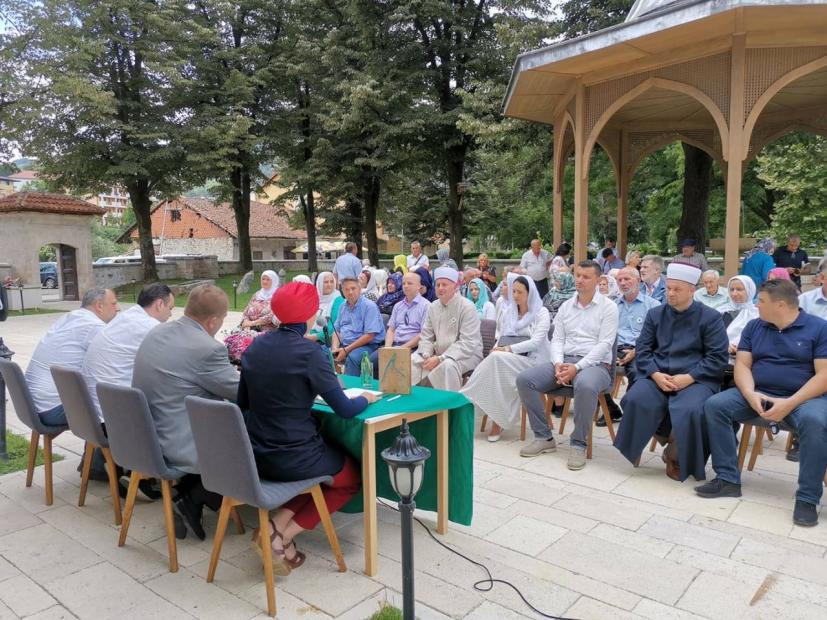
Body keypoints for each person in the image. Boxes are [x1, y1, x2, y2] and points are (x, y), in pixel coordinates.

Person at [239, 281, 379, 571]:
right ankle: (281, 536)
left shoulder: (255, 346)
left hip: (256, 453)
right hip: (294, 455)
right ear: (310, 314)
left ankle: (277, 526)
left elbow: (244, 402)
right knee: (351, 477)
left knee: (324, 471)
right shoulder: (310, 353)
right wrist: (366, 398)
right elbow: (343, 409)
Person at [697, 280, 827, 527]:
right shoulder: (755, 326)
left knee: (816, 421)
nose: (756, 304)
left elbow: (824, 376)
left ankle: (808, 498)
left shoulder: (819, 329)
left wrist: (789, 404)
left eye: (761, 301)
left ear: (780, 304)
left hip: (804, 399)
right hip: (759, 394)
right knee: (716, 405)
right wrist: (749, 393)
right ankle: (727, 479)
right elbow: (743, 365)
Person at [133, 284, 240, 539]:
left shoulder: (157, 332)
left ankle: (193, 493)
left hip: (144, 438)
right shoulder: (208, 349)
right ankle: (197, 493)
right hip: (178, 443)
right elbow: (241, 393)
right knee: (251, 433)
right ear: (213, 321)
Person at [614, 262, 729, 482]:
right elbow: (644, 350)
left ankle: (676, 456)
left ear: (692, 291)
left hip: (696, 378)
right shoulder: (655, 314)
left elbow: (717, 357)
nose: (671, 293)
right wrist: (656, 375)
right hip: (658, 374)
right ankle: (672, 441)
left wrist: (689, 378)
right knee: (635, 399)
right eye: (669, 289)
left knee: (692, 409)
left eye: (677, 289)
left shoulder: (711, 318)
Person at [517, 260, 618, 470]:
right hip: (564, 361)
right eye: (578, 275)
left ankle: (578, 443)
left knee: (586, 385)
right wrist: (558, 364)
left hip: (596, 365)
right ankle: (544, 437)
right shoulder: (565, 306)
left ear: (598, 281)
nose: (579, 280)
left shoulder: (609, 308)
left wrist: (577, 368)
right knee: (525, 380)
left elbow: (605, 345)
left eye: (586, 277)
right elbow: (558, 340)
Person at [462, 274, 550, 441]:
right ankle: (497, 417)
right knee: (497, 365)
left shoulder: (541, 312)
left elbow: (536, 342)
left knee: (497, 360)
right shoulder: (509, 311)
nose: (515, 296)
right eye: (513, 291)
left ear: (529, 293)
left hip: (536, 361)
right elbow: (501, 335)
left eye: (520, 292)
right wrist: (498, 347)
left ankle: (469, 395)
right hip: (510, 359)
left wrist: (507, 349)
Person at [25, 288, 119, 425]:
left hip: (33, 405)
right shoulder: (94, 326)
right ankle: (101, 445)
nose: (118, 308)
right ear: (99, 306)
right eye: (114, 303)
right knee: (123, 406)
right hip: (53, 409)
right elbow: (112, 365)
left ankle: (96, 445)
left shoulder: (69, 318)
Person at [83, 284, 175, 420]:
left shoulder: (127, 317)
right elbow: (177, 360)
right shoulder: (149, 326)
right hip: (113, 417)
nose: (171, 314)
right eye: (170, 308)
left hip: (92, 409)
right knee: (176, 409)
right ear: (160, 304)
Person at [597, 267, 661, 427]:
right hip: (613, 348)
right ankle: (611, 408)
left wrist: (636, 351)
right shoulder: (612, 306)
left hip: (641, 350)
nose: (623, 283)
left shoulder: (653, 305)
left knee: (637, 372)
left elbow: (658, 336)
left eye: (627, 279)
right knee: (592, 369)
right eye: (619, 280)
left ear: (638, 280)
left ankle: (631, 412)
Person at [411, 267, 482, 391]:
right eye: (437, 285)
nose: (440, 288)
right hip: (437, 353)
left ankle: (448, 406)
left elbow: (468, 342)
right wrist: (427, 354)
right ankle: (419, 404)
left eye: (444, 284)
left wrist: (440, 358)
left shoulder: (467, 307)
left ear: (455, 286)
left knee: (448, 366)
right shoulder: (433, 306)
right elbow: (426, 335)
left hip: (467, 355)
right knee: (413, 360)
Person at [372, 271, 430, 373]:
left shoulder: (426, 306)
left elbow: (423, 334)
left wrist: (402, 348)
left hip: (412, 348)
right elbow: (391, 330)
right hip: (394, 345)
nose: (406, 286)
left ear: (419, 286)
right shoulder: (398, 306)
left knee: (396, 364)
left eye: (410, 283)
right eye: (403, 283)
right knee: (372, 360)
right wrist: (388, 348)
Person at [332, 277, 385, 376]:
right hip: (344, 345)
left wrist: (347, 350)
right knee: (321, 353)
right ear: (342, 291)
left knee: (353, 358)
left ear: (359, 289)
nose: (350, 292)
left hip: (367, 345)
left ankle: (350, 389)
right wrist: (334, 348)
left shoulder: (369, 306)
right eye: (346, 289)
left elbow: (370, 335)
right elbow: (337, 330)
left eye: (353, 288)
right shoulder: (342, 306)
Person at [718, 276, 759, 356]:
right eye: (731, 290)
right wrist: (725, 345)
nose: (734, 293)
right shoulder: (721, 312)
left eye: (739, 289)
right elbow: (713, 336)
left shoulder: (758, 313)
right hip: (721, 357)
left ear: (749, 290)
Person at [307, 272, 343, 345]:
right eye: (326, 282)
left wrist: (316, 337)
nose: (329, 285)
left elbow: (334, 325)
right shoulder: (314, 299)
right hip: (309, 335)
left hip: (327, 339)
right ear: (319, 283)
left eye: (332, 281)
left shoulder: (338, 300)